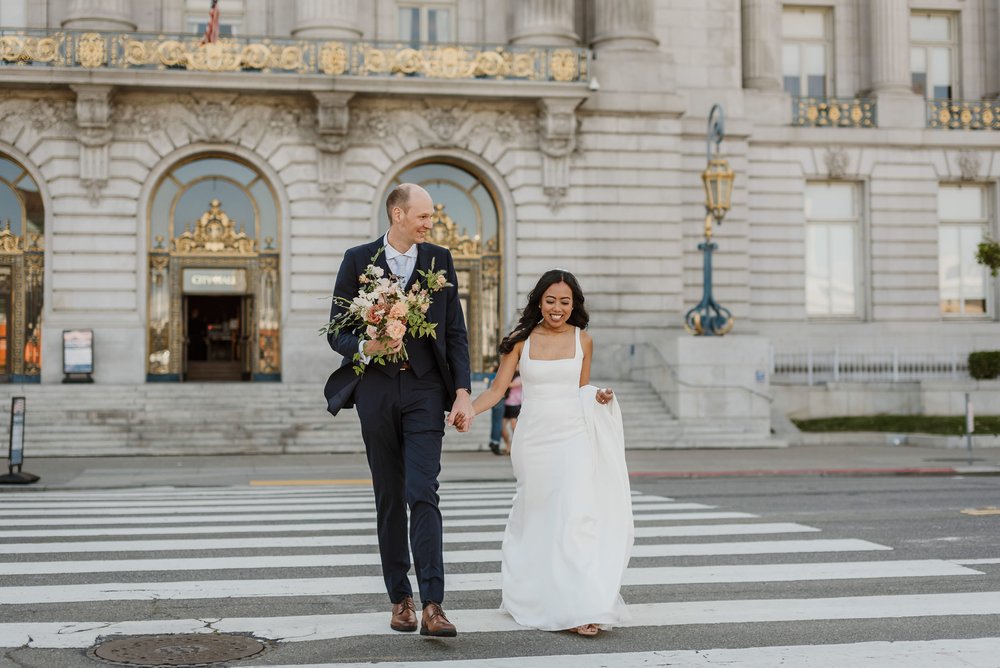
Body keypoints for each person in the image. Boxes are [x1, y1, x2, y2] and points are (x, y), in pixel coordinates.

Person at [324, 183, 474, 638]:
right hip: (376, 389)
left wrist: (464, 391)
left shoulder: (439, 260)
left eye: (431, 217)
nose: (431, 224)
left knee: (422, 490)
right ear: (397, 213)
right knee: (389, 496)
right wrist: (367, 345)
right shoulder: (357, 260)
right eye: (424, 216)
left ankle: (433, 604)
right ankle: (400, 599)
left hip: (427, 389)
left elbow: (455, 333)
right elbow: (336, 330)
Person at [471, 269, 634, 637]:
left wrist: (600, 396)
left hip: (574, 435)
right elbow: (497, 391)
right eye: (550, 300)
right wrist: (467, 411)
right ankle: (532, 593)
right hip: (534, 440)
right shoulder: (520, 342)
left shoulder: (584, 340)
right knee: (539, 516)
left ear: (573, 304)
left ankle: (582, 606)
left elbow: (582, 389)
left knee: (576, 516)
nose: (557, 308)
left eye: (565, 301)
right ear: (539, 302)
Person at [500, 370, 521, 455]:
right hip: (506, 404)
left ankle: (516, 446)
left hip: (515, 404)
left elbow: (511, 385)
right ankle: (507, 445)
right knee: (501, 426)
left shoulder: (519, 378)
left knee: (513, 426)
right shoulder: (510, 376)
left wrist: (502, 381)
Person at [485, 362, 505, 455]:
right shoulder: (500, 376)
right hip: (500, 399)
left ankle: (492, 441)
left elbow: (489, 388)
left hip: (492, 400)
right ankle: (496, 443)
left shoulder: (492, 376)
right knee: (498, 422)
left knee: (494, 421)